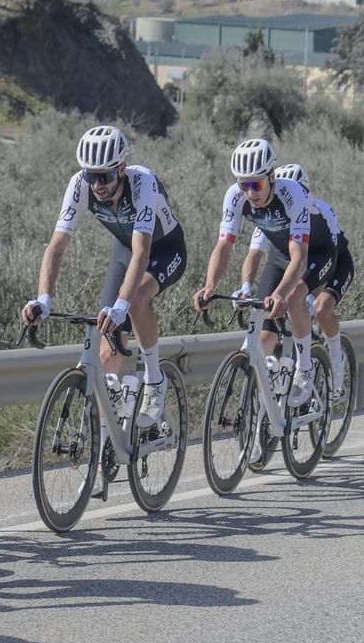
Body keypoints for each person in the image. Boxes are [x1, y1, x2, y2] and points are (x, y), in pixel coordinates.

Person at [23, 125, 187, 448]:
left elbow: (143, 252)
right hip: (124, 250)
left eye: (105, 177)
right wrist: (43, 298)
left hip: (165, 249)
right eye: (91, 176)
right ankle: (108, 434)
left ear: (122, 169)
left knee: (137, 300)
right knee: (105, 345)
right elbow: (56, 246)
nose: (97, 185)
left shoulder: (143, 183)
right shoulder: (80, 184)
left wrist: (122, 306)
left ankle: (155, 379)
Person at [193, 139, 335, 407]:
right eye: (243, 184)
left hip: (316, 251)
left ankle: (304, 369)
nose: (249, 192)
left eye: (255, 184)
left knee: (292, 300)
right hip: (281, 254)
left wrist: (280, 293)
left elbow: (300, 258)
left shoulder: (293, 195)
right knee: (264, 335)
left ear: (272, 177)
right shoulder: (235, 196)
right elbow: (224, 246)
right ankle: (264, 413)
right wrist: (210, 285)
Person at [270, 163, 353, 397]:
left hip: (336, 262)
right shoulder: (273, 215)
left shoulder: (322, 210)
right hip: (304, 266)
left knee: (320, 307)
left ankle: (337, 359)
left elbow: (329, 259)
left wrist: (307, 296)